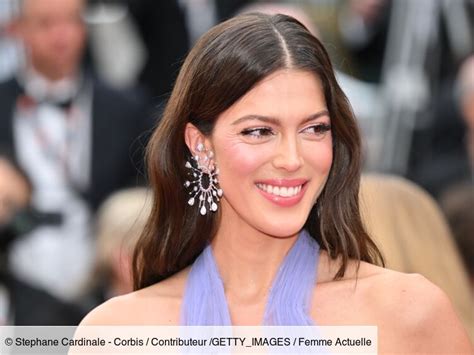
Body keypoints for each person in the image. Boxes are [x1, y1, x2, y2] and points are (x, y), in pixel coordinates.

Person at [81, 13, 473, 353]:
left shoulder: (407, 312)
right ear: (201, 145)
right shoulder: (117, 332)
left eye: (314, 128)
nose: (291, 159)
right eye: (258, 131)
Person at [0, 0, 150, 300]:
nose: (61, 36)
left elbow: (140, 195)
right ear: (17, 30)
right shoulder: (2, 104)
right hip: (13, 280)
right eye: (45, 24)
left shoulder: (125, 107)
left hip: (104, 279)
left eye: (72, 21)